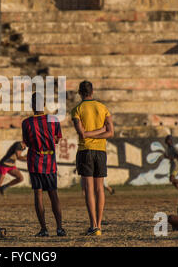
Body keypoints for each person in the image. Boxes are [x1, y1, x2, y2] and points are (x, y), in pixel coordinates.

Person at [71, 80, 114, 236]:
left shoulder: (77, 109)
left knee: (89, 189)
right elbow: (110, 132)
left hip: (85, 150)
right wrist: (101, 130)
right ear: (92, 91)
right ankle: (100, 226)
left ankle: (93, 225)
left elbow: (81, 133)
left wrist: (88, 134)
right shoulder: (103, 108)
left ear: (80, 93)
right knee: (99, 189)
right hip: (101, 151)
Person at [22, 92, 66, 237]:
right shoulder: (53, 120)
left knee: (38, 194)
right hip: (50, 162)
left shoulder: (26, 123)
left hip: (34, 161)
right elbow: (57, 140)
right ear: (45, 104)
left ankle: (44, 229)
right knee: (53, 194)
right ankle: (59, 228)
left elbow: (27, 142)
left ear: (32, 105)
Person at [0, 141, 27, 206]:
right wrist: (28, 158)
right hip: (4, 164)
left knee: (20, 178)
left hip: (11, 165)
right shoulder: (19, 145)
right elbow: (19, 157)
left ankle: (4, 187)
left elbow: (19, 156)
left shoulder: (23, 146)